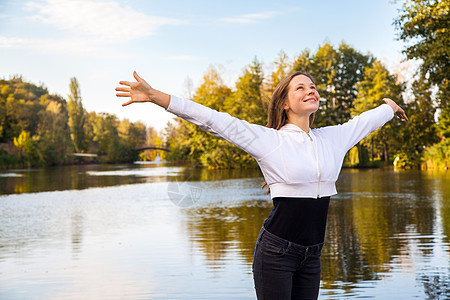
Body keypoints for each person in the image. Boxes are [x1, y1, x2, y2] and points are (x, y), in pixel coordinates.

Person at [116, 71, 408, 299]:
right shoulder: (270, 141)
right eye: (301, 87)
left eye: (313, 87)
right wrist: (156, 96)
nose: (311, 90)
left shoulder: (332, 138)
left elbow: (362, 123)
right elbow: (213, 120)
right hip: (276, 254)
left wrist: (389, 108)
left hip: (313, 255)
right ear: (284, 103)